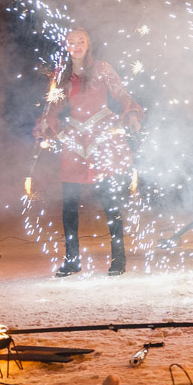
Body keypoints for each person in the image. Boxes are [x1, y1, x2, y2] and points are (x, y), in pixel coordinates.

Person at [33, 28, 144, 277]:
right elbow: (54, 105)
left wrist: (131, 112)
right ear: (66, 45)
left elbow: (121, 93)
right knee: (69, 204)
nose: (77, 45)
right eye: (71, 42)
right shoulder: (61, 75)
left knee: (109, 201)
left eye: (81, 41)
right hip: (74, 137)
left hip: (102, 136)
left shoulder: (102, 68)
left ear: (88, 43)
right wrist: (46, 121)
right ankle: (72, 260)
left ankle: (119, 259)